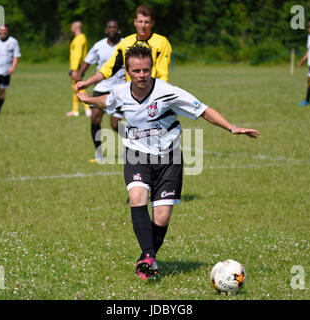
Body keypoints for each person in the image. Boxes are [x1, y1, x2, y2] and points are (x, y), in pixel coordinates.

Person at [76, 45, 261, 280]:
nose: (142, 75)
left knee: (161, 217)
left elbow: (203, 109)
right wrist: (87, 99)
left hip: (169, 158)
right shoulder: (121, 92)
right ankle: (148, 258)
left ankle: (147, 257)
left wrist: (231, 127)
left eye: (146, 70)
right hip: (137, 155)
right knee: (137, 197)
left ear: (151, 68)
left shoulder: (167, 92)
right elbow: (108, 101)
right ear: (127, 72)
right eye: (136, 71)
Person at [75, 5, 172, 92]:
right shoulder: (126, 43)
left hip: (154, 93)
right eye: (140, 21)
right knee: (98, 107)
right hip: (133, 94)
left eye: (146, 22)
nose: (143, 25)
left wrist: (160, 94)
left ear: (152, 23)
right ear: (135, 22)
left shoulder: (162, 43)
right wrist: (87, 83)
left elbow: (163, 74)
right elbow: (109, 68)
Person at [76, 19, 126, 163]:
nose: (112, 29)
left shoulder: (126, 44)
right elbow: (87, 61)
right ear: (106, 30)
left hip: (119, 89)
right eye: (109, 27)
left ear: (118, 29)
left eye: (114, 27)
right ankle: (99, 152)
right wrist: (80, 75)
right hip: (101, 88)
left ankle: (133, 146)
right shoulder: (99, 46)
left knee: (115, 124)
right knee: (95, 120)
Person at [66, 21, 91, 117]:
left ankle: (88, 108)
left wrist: (75, 69)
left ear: (76, 27)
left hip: (77, 67)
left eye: (72, 26)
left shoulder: (80, 38)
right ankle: (75, 110)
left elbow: (78, 54)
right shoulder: (78, 38)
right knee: (75, 87)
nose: (71, 28)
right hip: (75, 67)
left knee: (79, 87)